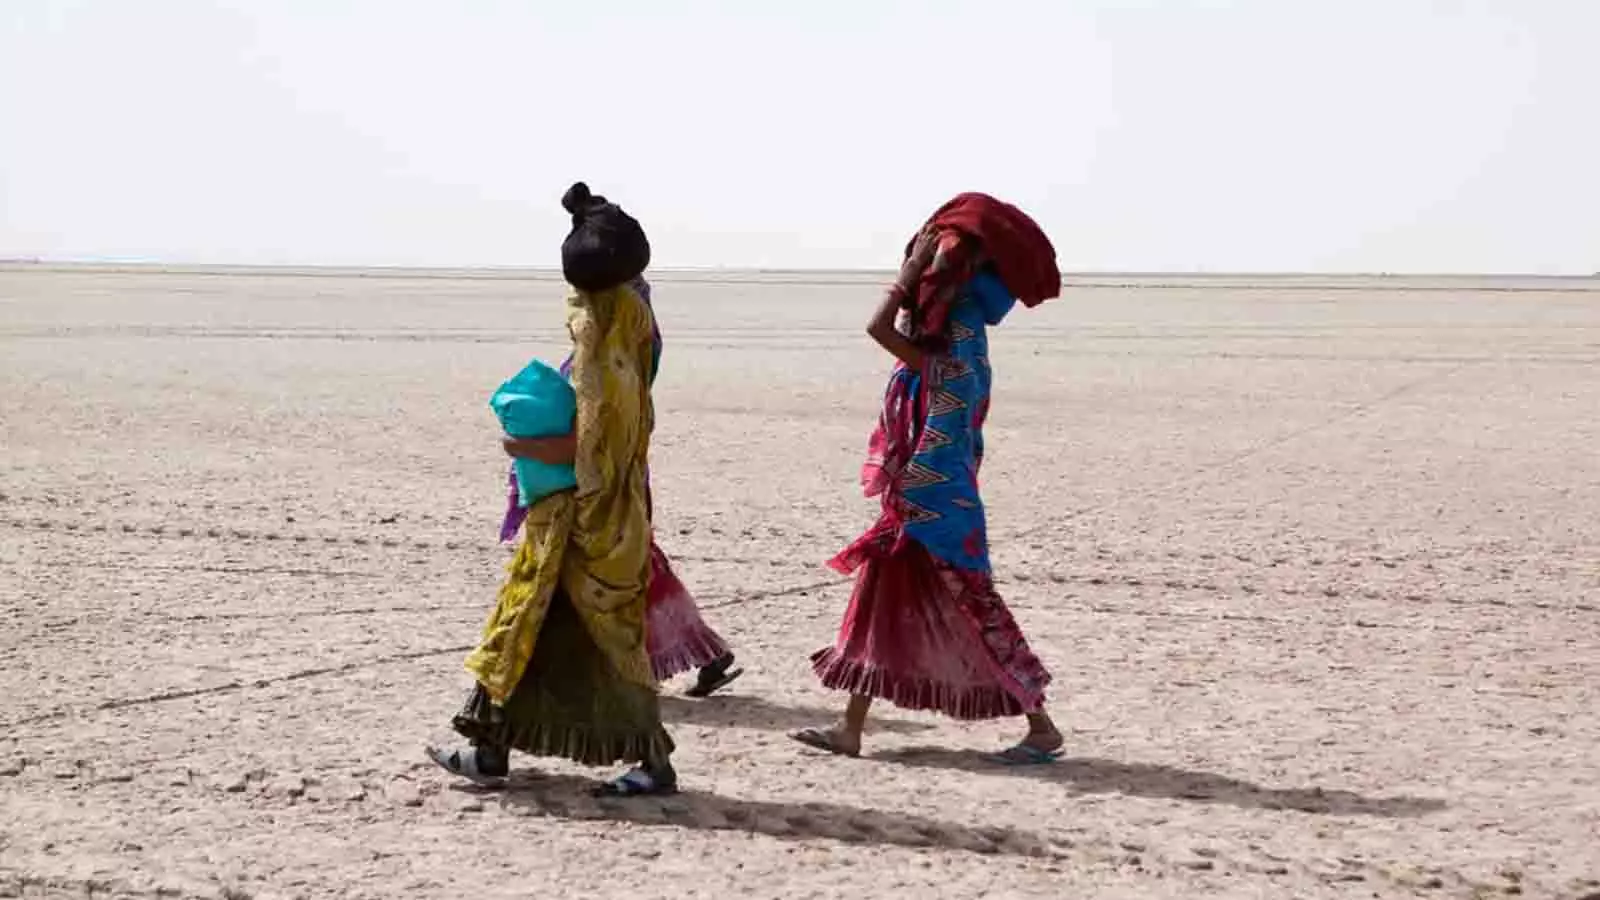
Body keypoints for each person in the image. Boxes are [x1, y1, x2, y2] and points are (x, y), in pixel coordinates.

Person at [791, 193, 1066, 764]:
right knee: (877, 604)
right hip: (919, 501)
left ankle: (1041, 726)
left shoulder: (959, 344)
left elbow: (880, 330)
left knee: (975, 606)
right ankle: (850, 728)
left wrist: (908, 272)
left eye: (936, 261)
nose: (925, 269)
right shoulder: (949, 335)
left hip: (937, 505)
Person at [427, 183, 676, 796]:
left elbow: (591, 446)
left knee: (566, 631)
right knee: (526, 628)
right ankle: (489, 751)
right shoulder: (635, 326)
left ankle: (651, 764)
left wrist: (522, 449)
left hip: (583, 518)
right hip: (609, 515)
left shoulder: (602, 343)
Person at [497, 278, 742, 698]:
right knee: (638, 568)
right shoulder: (632, 360)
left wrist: (521, 446)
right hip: (622, 480)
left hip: (600, 486)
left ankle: (653, 665)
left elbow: (583, 442)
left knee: (625, 574)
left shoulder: (606, 366)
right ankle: (701, 653)